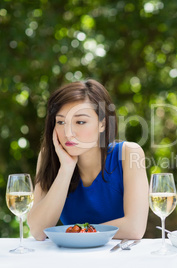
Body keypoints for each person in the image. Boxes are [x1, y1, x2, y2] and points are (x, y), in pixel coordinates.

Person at [27, 79, 149, 241]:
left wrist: (79, 232)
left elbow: (134, 228)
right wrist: (66, 169)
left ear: (102, 124)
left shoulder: (129, 154)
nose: (68, 133)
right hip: (71, 258)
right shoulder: (49, 157)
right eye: (61, 122)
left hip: (119, 256)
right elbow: (38, 231)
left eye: (80, 122)